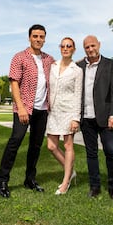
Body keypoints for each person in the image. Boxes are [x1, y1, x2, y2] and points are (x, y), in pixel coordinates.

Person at [0, 24, 55, 198]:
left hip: (42, 109)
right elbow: (14, 83)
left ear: (45, 39)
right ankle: (2, 181)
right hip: (24, 108)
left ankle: (30, 179)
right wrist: (20, 107)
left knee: (35, 146)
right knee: (15, 142)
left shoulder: (49, 59)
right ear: (29, 37)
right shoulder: (19, 57)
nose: (38, 39)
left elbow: (63, 68)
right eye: (35, 36)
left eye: (41, 36)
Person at [76, 35, 113, 200]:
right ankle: (94, 187)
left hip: (105, 118)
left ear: (99, 45)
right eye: (87, 47)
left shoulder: (112, 65)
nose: (90, 49)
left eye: (93, 46)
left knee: (110, 151)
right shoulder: (79, 66)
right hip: (86, 118)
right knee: (91, 154)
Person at [46, 37, 83, 195]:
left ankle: (65, 182)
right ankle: (71, 170)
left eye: (69, 46)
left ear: (74, 49)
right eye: (63, 46)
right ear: (60, 48)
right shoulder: (52, 66)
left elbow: (78, 95)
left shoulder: (77, 70)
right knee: (51, 146)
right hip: (53, 112)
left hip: (69, 112)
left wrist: (76, 118)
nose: (66, 48)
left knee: (68, 146)